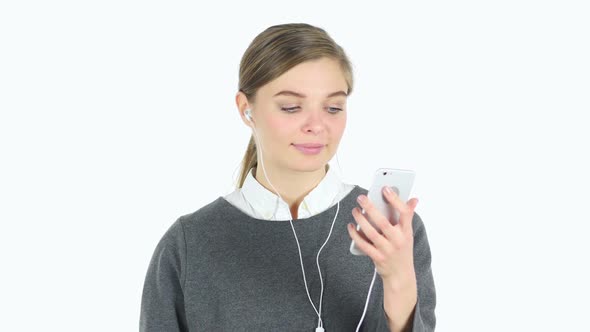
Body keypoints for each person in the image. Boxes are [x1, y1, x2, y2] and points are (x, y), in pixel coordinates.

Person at [140, 23, 436, 332]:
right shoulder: (190, 244)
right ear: (245, 109)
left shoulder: (392, 233)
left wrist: (399, 281)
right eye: (292, 107)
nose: (317, 125)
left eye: (333, 107)